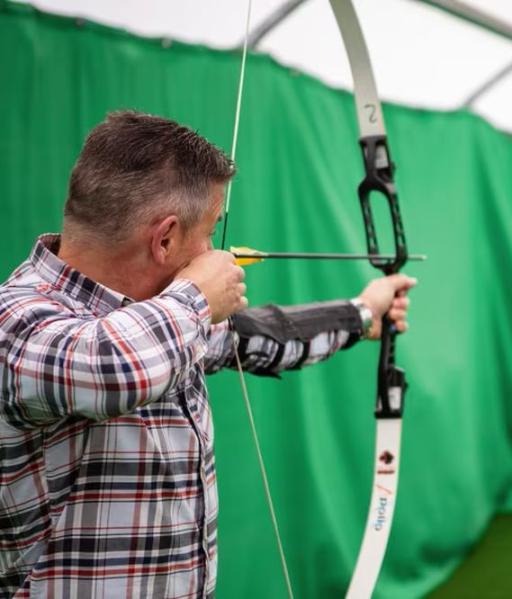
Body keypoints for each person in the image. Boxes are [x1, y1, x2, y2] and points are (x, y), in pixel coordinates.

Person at [0, 111, 416, 598]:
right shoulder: (18, 320)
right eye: (211, 230)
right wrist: (197, 296)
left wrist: (363, 314)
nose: (215, 251)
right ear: (166, 239)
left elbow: (256, 336)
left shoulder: (159, 320)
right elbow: (110, 368)